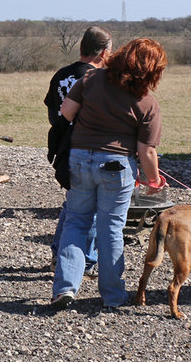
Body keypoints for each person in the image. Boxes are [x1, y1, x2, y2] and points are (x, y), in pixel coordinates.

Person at [51, 38, 168, 310]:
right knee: (111, 229)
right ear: (152, 71)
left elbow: (66, 112)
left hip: (79, 160)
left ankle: (64, 289)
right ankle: (113, 296)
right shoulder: (147, 102)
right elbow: (146, 151)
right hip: (118, 168)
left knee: (76, 222)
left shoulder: (91, 79)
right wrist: (154, 181)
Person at [44, 26, 112, 273]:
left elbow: (54, 112)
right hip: (89, 148)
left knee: (73, 205)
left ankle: (58, 253)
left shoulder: (61, 75)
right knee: (90, 208)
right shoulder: (97, 79)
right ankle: (86, 260)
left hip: (64, 147)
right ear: (103, 53)